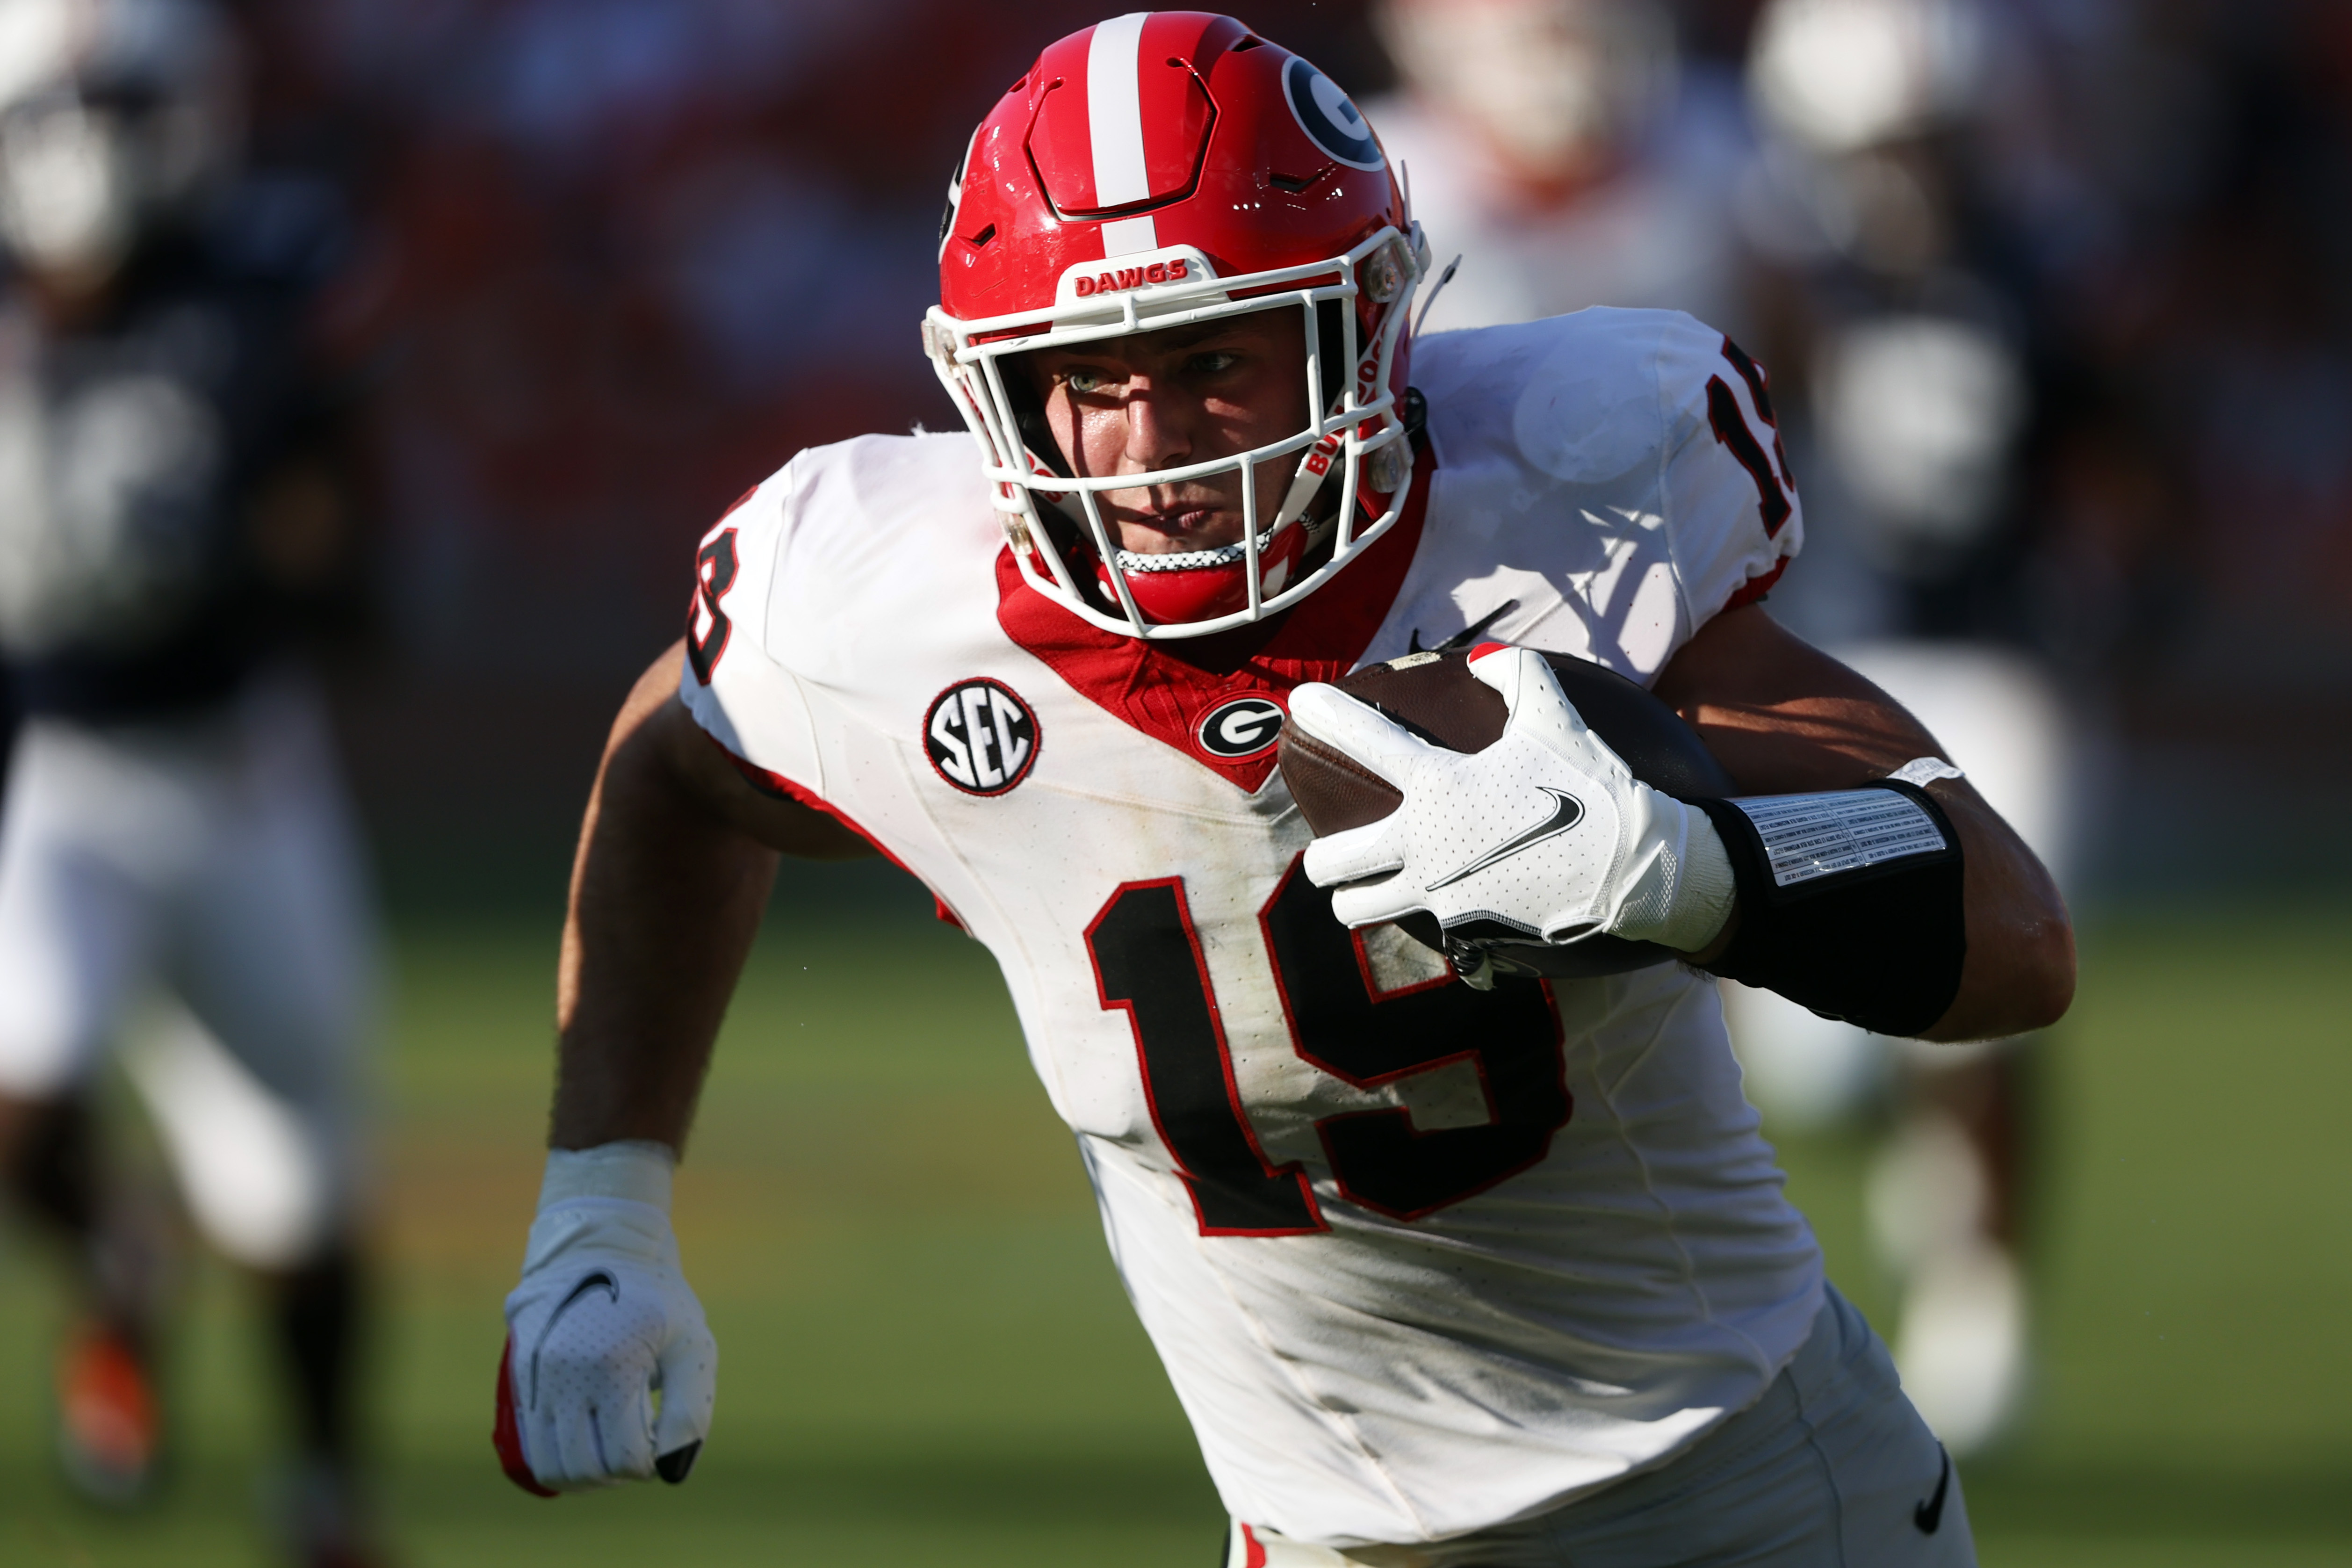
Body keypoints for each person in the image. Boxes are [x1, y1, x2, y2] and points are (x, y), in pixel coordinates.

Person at [493, 14, 2071, 1565]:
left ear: (1365, 327)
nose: (1154, 449)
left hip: (1746, 1502)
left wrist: (1697, 870)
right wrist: (603, 1205)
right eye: (1088, 378)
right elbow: (675, 771)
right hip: (1317, 1540)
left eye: (1217, 361)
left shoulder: (1561, 509)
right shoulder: (876, 602)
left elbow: (2008, 926)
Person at [0, 0, 386, 1560]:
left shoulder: (263, 289)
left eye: (127, 117)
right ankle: (125, 1257)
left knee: (296, 1194)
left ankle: (320, 1489)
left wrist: (283, 538)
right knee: (23, 1103)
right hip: (66, 775)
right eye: (65, 120)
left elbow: (357, 587)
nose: (97, 160)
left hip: (239, 771)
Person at [1726, 0, 2083, 1452]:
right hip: (1826, 656)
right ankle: (1909, 1145)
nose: (1908, 172)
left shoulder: (2035, 265)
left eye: (1929, 140)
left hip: (1995, 659)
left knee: (2005, 974)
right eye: (1878, 143)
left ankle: (1981, 1290)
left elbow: (2110, 445)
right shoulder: (1758, 273)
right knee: (1815, 1060)